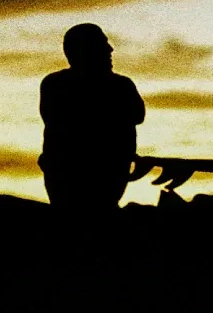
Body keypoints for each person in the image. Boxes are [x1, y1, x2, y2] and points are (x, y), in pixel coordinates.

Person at [38, 23, 147, 211]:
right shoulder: (56, 85)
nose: (110, 49)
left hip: (105, 174)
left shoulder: (121, 85)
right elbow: (61, 123)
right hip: (71, 177)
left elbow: (137, 115)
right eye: (102, 44)